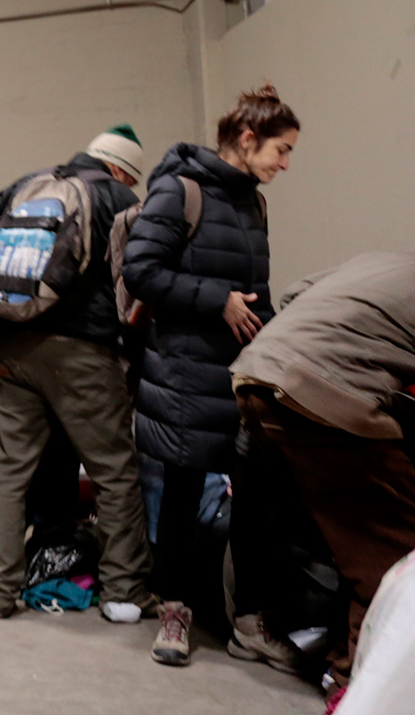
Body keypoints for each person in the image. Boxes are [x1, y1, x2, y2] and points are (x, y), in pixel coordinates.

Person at [121, 85, 300, 666]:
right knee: (178, 492)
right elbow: (142, 270)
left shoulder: (255, 202)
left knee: (256, 499)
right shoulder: (179, 191)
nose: (285, 163)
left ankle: (248, 620)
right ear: (248, 140)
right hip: (182, 375)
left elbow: (258, 294)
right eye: (281, 150)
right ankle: (174, 609)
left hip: (239, 376)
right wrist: (216, 299)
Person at [0, 125, 155, 621]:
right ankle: (123, 593)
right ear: (123, 170)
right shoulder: (118, 196)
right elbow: (138, 278)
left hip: (12, 342)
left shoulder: (28, 184)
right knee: (114, 473)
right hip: (82, 352)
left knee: (9, 473)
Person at [229, 252, 415, 703]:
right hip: (320, 401)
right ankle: (353, 684)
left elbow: (293, 295)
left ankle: (281, 631)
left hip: (254, 377)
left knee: (337, 532)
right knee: (397, 557)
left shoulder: (380, 262)